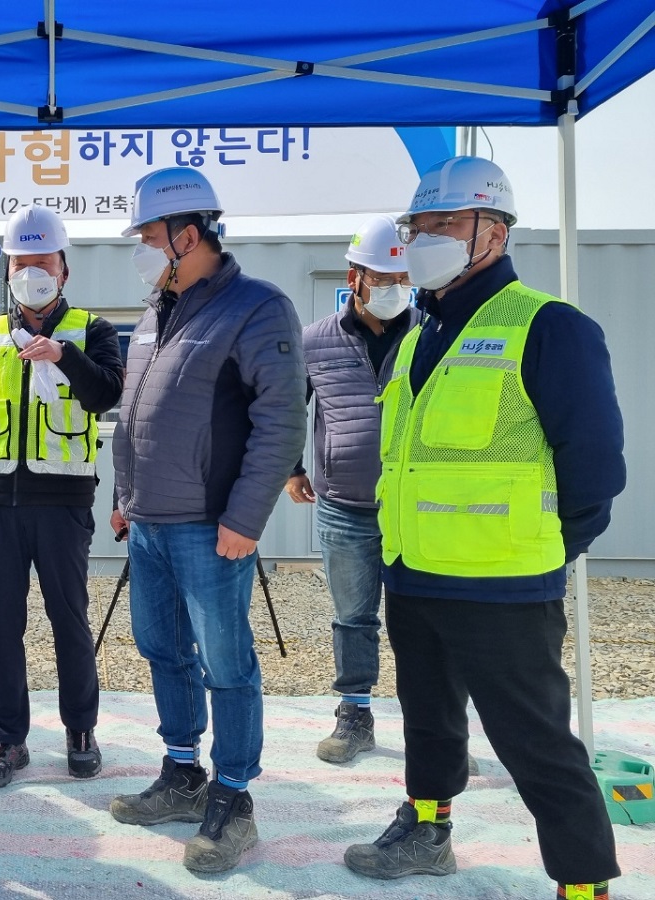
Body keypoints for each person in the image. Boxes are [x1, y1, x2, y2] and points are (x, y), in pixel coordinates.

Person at [343, 156, 625, 900]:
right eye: (417, 226)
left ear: (492, 234)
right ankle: (427, 827)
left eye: (441, 224)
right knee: (428, 720)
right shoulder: (414, 338)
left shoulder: (551, 328)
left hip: (503, 587)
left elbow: (594, 472)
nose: (422, 239)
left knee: (537, 745)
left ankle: (583, 885)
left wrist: (541, 554)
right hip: (413, 572)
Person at [109, 167, 306, 874]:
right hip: (152, 523)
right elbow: (133, 418)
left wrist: (247, 518)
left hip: (212, 527)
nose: (142, 249)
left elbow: (281, 421)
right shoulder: (158, 310)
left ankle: (234, 794)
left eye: (150, 237)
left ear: (187, 236)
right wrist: (125, 496)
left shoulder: (256, 307)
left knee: (228, 664)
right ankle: (183, 770)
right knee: (162, 648)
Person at [0, 205, 123, 789]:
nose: (32, 274)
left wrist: (64, 357)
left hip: (63, 504)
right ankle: (7, 738)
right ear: (9, 270)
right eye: (21, 264)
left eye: (42, 264)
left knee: (69, 618)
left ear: (63, 270)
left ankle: (80, 729)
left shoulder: (91, 331)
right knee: (1, 625)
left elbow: (107, 395)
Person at [284, 215, 421, 763]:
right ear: (355, 276)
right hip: (344, 506)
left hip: (415, 506)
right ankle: (355, 715)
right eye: (381, 277)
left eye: (402, 278)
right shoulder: (315, 339)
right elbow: (291, 408)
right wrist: (293, 469)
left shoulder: (429, 331)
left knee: (422, 619)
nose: (393, 288)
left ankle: (428, 722)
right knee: (353, 616)